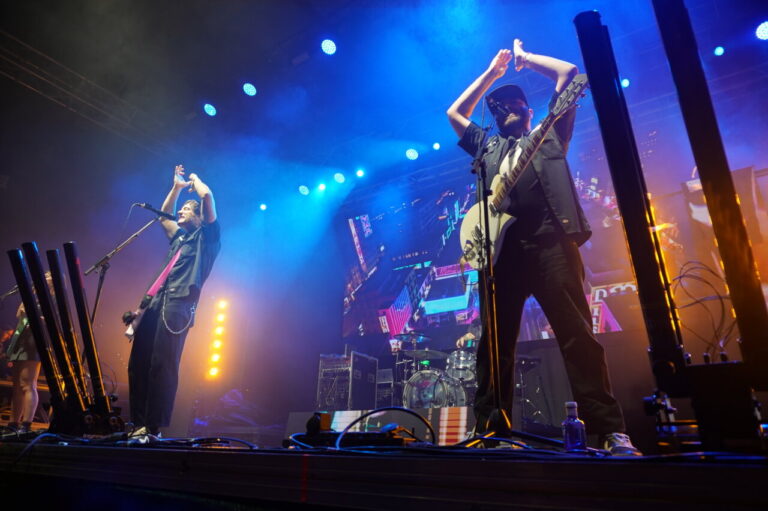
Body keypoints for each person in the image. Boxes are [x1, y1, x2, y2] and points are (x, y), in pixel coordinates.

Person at [446, 39, 640, 455]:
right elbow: (455, 113)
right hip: (500, 256)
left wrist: (525, 60)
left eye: (515, 102)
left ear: (529, 110)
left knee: (577, 337)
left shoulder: (549, 134)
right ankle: (491, 432)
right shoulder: (486, 146)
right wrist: (491, 75)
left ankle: (610, 431)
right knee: (494, 347)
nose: (506, 108)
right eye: (499, 106)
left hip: (551, 244)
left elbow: (568, 73)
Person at [126, 165, 220, 437]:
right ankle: (137, 424)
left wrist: (195, 180)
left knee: (162, 365)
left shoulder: (208, 239)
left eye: (187, 209)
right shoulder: (180, 239)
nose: (181, 211)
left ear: (199, 219)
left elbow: (207, 197)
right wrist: (177, 188)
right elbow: (164, 216)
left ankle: (152, 427)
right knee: (138, 363)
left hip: (179, 304)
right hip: (156, 302)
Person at [5, 302, 41, 433]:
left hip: (32, 340)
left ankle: (26, 424)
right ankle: (13, 423)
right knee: (17, 386)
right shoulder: (30, 296)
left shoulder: (50, 296)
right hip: (20, 340)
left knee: (28, 384)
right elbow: (20, 320)